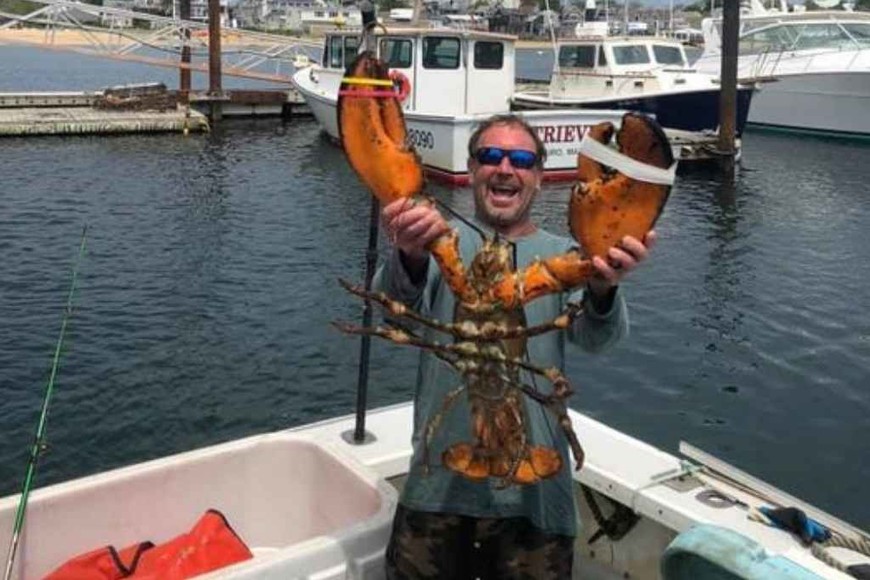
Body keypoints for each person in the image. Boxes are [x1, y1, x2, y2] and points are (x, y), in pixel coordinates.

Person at [375, 113, 656, 579]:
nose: (505, 168)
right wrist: (408, 255)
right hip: (437, 492)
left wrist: (603, 286)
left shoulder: (569, 257)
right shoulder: (435, 242)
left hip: (534, 504)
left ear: (539, 177)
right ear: (471, 169)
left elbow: (596, 338)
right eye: (491, 156)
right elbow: (393, 313)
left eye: (521, 160)